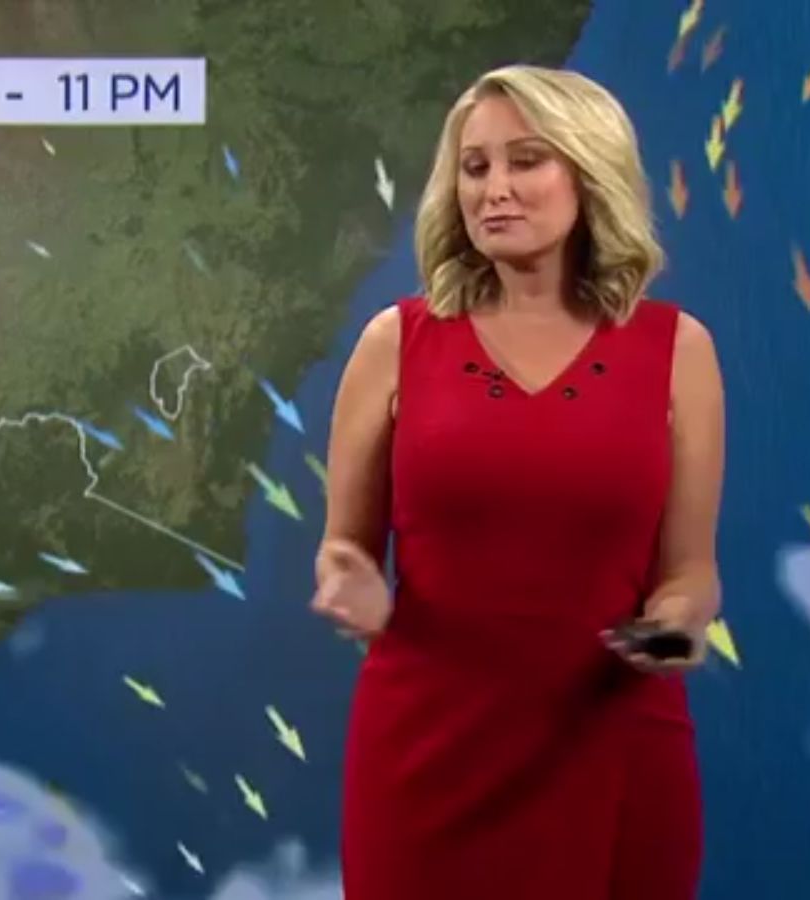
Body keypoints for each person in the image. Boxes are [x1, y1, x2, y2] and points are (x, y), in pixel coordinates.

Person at [310, 64, 725, 899]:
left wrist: (675, 625)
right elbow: (344, 547)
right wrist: (348, 578)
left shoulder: (679, 351)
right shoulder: (395, 343)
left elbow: (689, 571)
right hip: (429, 759)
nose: (493, 189)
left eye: (525, 161)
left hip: (612, 748)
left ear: (589, 173)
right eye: (475, 168)